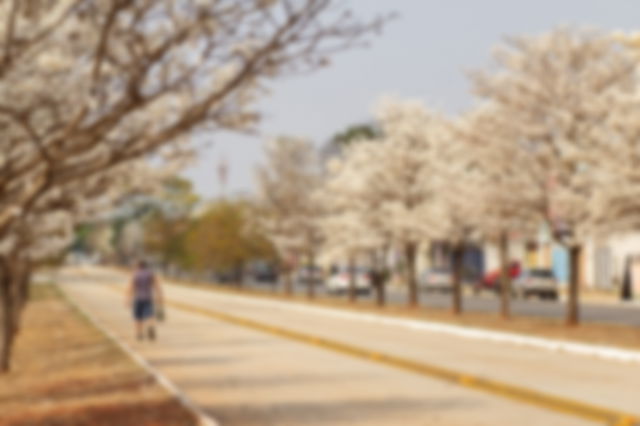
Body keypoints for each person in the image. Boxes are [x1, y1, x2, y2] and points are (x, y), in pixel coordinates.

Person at [127, 260, 163, 341]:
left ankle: (139, 334)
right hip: (148, 298)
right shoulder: (150, 273)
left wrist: (128, 299)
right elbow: (157, 286)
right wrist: (159, 297)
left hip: (138, 298)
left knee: (138, 317)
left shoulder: (136, 274)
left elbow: (131, 287)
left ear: (138, 266)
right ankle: (150, 326)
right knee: (150, 314)